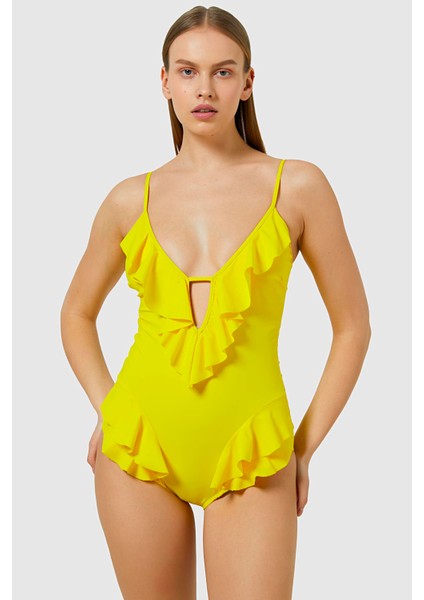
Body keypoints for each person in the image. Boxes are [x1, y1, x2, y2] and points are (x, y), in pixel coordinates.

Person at [60, 5, 372, 599]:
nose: (204, 89)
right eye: (187, 71)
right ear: (165, 82)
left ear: (247, 83)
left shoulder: (297, 186)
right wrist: (108, 407)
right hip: (139, 443)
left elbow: (353, 327)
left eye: (223, 72)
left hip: (253, 449)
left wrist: (303, 448)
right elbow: (75, 313)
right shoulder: (128, 199)